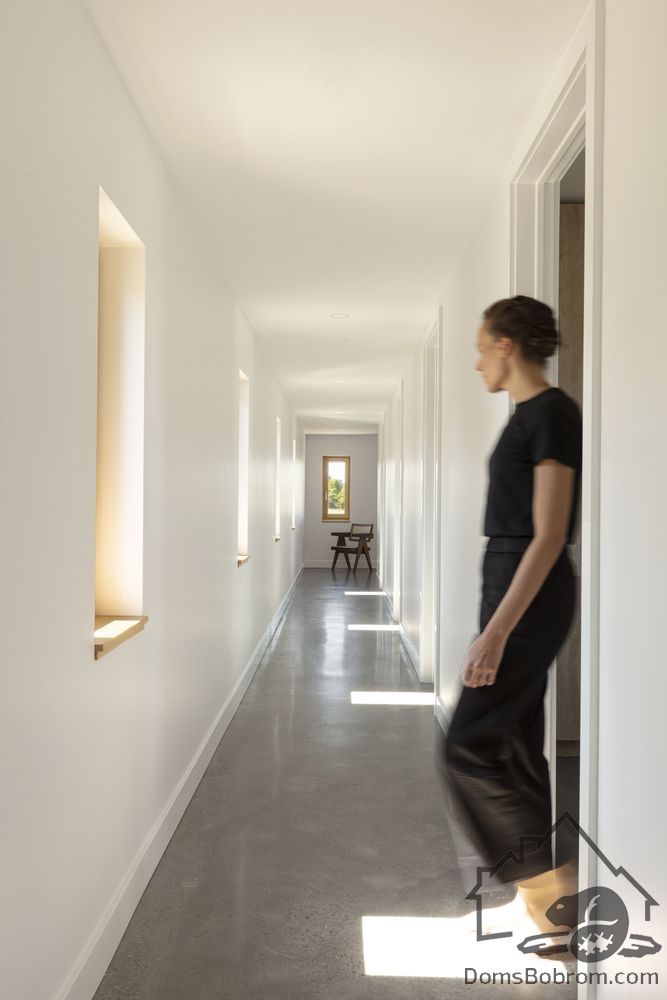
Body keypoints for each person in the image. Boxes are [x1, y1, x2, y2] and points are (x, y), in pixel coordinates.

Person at [442, 294, 582, 933]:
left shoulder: (552, 413)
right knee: (517, 744)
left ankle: (549, 891)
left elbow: (548, 536)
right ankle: (552, 909)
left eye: (481, 348)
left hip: (529, 590)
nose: (478, 362)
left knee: (468, 744)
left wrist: (495, 633)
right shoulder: (527, 416)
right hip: (508, 582)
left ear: (506, 345)